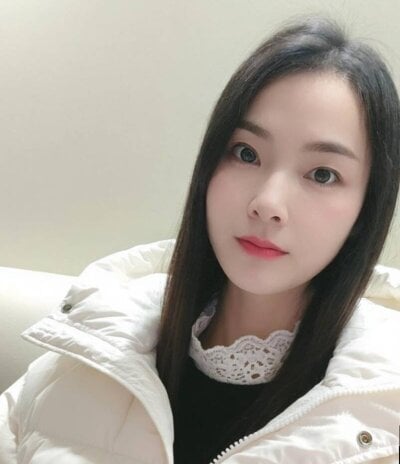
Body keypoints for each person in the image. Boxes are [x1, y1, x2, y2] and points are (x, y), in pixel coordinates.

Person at [1, 14, 400, 464]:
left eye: (322, 174)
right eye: (246, 153)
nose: (268, 203)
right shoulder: (90, 341)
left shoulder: (385, 405)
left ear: (366, 208)